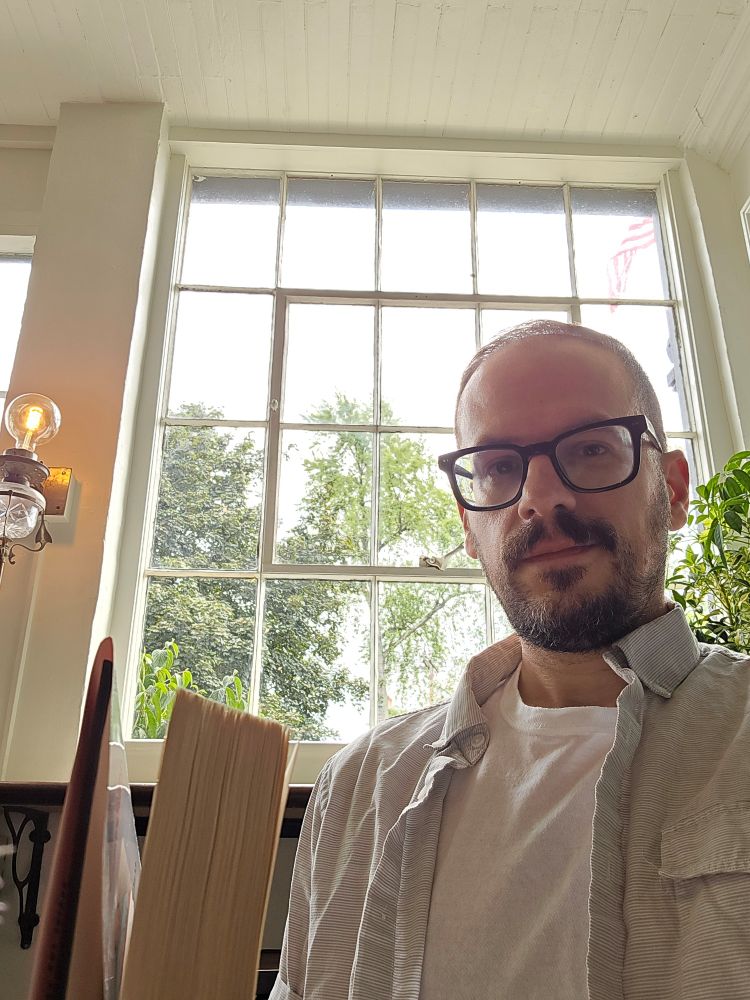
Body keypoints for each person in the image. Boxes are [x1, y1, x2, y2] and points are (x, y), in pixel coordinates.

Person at [270, 320, 750, 1000]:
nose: (541, 497)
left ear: (672, 490)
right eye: (498, 466)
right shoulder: (360, 785)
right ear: (469, 526)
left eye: (591, 448)